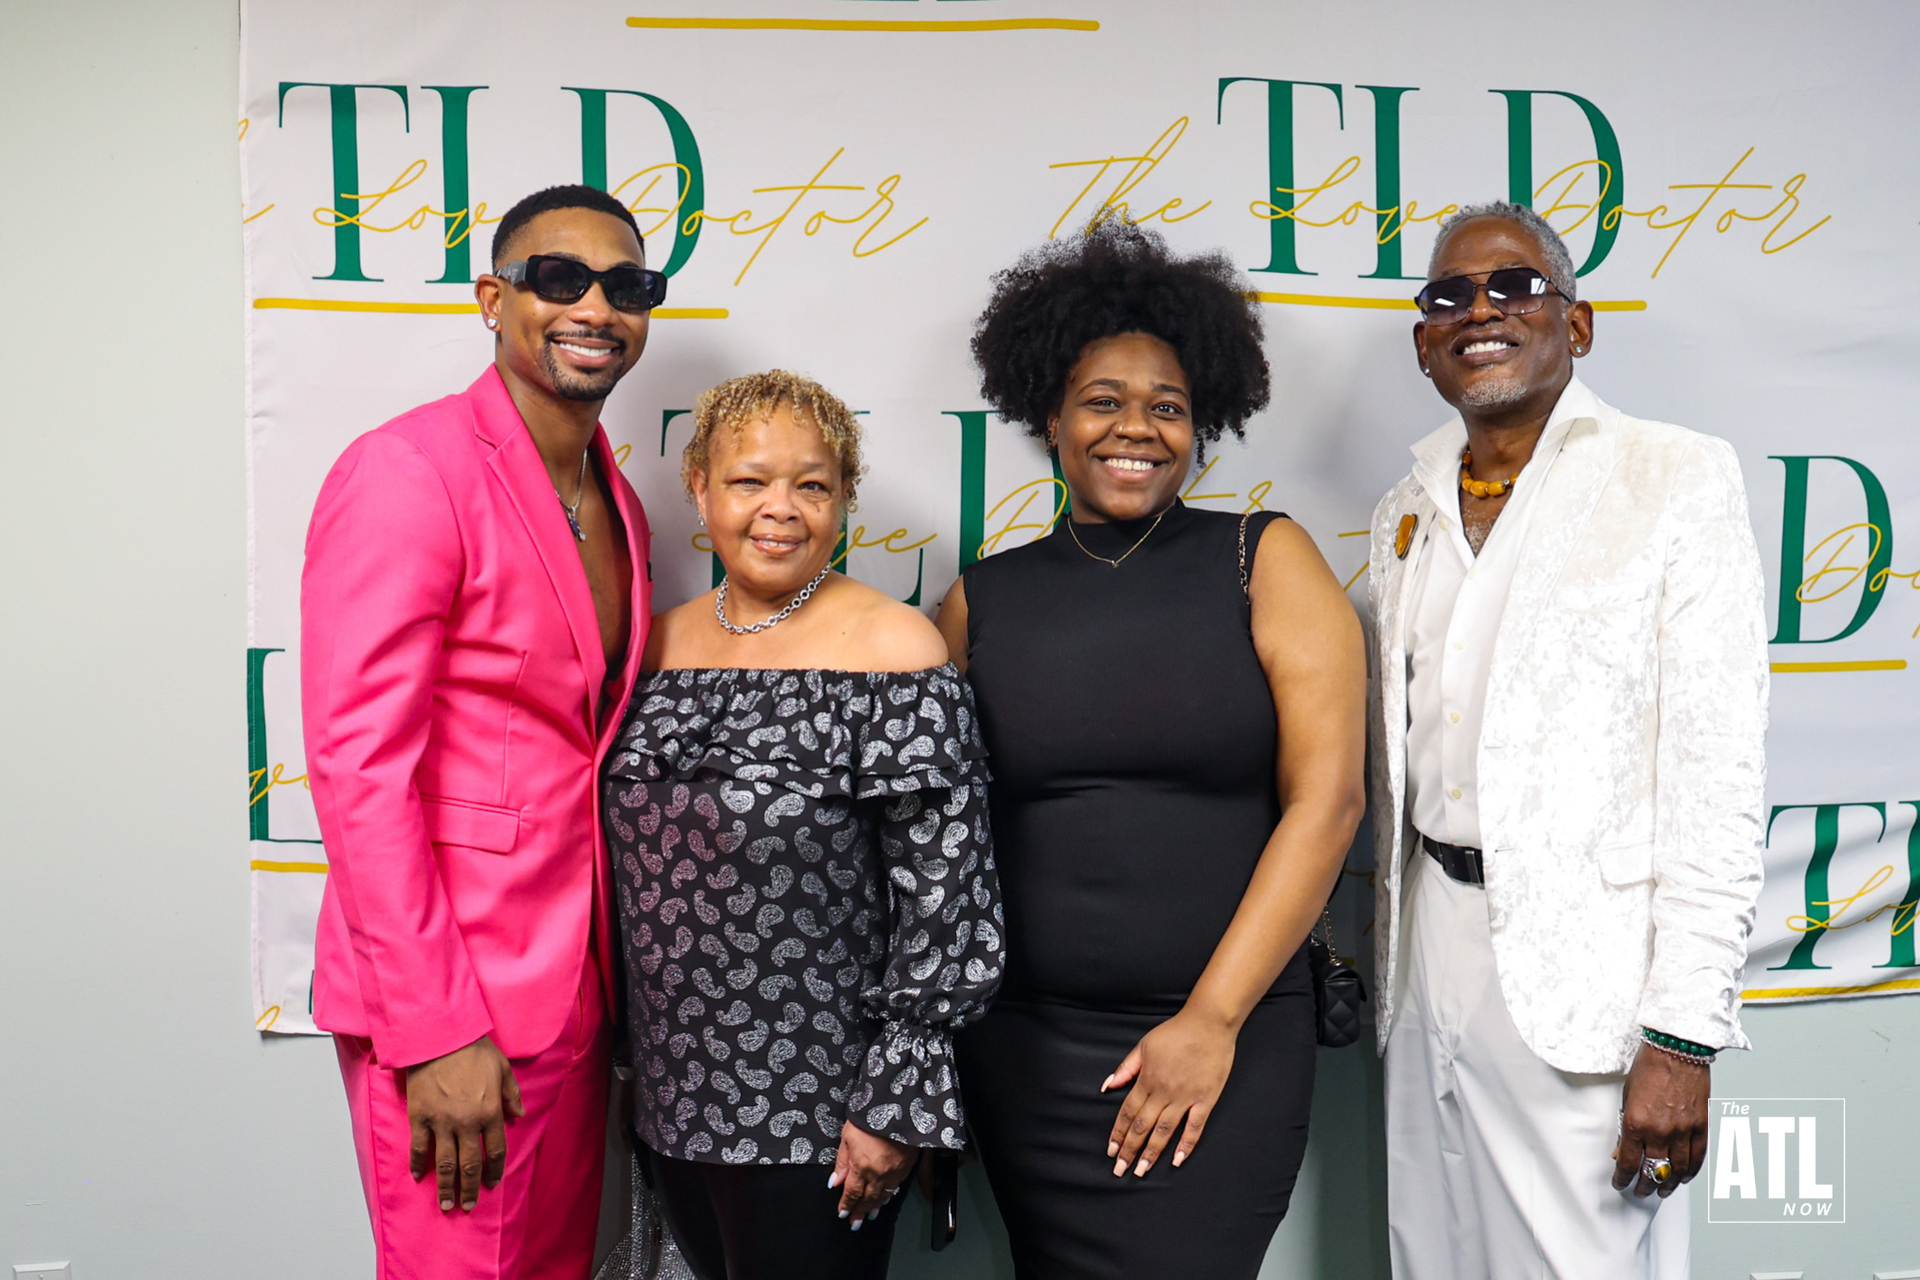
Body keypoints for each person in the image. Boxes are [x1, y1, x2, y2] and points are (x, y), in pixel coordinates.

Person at [935, 225, 1367, 1279]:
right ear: (1049, 416)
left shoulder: (1263, 557)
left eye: (1167, 406)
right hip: (1026, 1053)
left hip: (1225, 1037)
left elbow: (1330, 803)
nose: (1137, 428)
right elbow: (935, 835)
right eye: (1103, 401)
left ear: (1202, 423)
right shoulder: (982, 596)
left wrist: (1209, 1021)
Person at [1369, 201, 1769, 1280]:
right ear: (1424, 344)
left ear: (1576, 325)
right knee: (1431, 1259)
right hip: (1428, 955)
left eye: (1514, 286)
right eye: (1450, 295)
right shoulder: (1405, 508)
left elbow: (1718, 779)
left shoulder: (1672, 477)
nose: (1481, 310)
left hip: (1587, 979)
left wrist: (1682, 1036)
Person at [301, 184, 663, 1279]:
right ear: (494, 299)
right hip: (454, 1005)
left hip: (577, 996)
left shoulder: (617, 498)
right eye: (560, 278)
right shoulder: (409, 468)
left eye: (627, 286)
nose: (596, 306)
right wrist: (434, 1028)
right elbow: (358, 769)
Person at [603, 370, 1005, 1280]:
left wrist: (896, 1100)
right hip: (670, 1098)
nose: (779, 509)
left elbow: (949, 900)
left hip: (821, 1109)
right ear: (699, 486)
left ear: (844, 497)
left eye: (812, 485)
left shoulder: (894, 651)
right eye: (749, 480)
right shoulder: (652, 648)